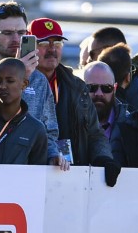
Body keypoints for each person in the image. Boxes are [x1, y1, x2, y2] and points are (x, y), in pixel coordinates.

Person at [0, 2, 61, 145]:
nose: (16, 39)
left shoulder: (38, 78)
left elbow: (50, 131)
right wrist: (20, 76)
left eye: (21, 33)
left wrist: (53, 155)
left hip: (30, 161)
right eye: (7, 33)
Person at [33, 17, 113, 170]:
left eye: (57, 43)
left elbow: (95, 133)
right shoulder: (16, 82)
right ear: (29, 46)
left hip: (70, 174)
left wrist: (103, 158)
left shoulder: (77, 86)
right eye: (43, 43)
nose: (52, 49)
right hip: (29, 172)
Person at [0, 58, 61, 167]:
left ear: (24, 84)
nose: (2, 86)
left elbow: (37, 174)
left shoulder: (35, 128)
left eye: (10, 81)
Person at [84, 60, 127, 138]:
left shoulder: (129, 125)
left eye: (106, 88)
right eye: (92, 87)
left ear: (115, 89)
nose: (99, 93)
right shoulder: (67, 122)